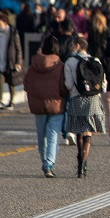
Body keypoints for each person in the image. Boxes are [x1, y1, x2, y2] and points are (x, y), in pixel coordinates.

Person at [23, 34, 69, 177]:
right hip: (56, 104)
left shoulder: (34, 64)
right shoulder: (60, 65)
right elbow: (64, 86)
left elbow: (26, 83)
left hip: (38, 104)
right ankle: (49, 164)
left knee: (41, 134)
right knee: (53, 134)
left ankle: (44, 161)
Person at [64, 37, 107, 178]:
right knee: (88, 131)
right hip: (93, 99)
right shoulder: (96, 61)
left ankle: (79, 160)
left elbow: (69, 84)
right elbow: (103, 83)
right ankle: (84, 163)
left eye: (72, 45)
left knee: (78, 130)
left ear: (77, 46)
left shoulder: (70, 62)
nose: (71, 47)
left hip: (77, 98)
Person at [0, 11, 23, 109]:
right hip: (0, 59)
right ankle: (0, 100)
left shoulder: (12, 32)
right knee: (0, 80)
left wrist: (18, 62)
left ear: (5, 22)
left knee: (11, 81)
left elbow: (18, 48)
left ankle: (11, 101)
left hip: (10, 60)